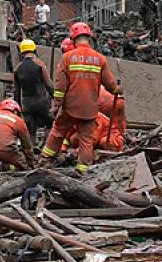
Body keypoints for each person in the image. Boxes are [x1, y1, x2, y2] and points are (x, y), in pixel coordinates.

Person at [42, 22, 120, 171]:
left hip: (70, 106)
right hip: (90, 109)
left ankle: (46, 160)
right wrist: (117, 88)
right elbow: (110, 84)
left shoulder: (67, 58)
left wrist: (56, 105)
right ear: (89, 37)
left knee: (58, 131)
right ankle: (82, 170)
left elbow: (60, 86)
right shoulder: (100, 59)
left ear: (73, 38)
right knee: (86, 141)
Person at [12, 38, 52, 143]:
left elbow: (16, 91)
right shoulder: (40, 65)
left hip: (27, 104)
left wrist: (18, 107)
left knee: (31, 131)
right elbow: (48, 85)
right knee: (50, 124)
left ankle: (32, 149)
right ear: (34, 50)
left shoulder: (17, 69)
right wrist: (57, 99)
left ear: (21, 52)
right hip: (41, 102)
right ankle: (45, 146)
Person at [93, 87, 127, 153]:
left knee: (108, 127)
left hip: (109, 103)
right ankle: (121, 140)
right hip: (117, 99)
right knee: (117, 126)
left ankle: (117, 146)